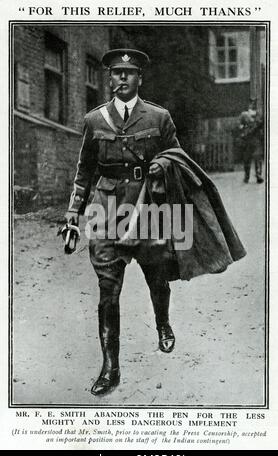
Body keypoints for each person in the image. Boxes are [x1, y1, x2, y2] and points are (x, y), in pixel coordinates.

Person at [65, 48, 246, 396]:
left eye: (129, 73)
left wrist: (162, 164)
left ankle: (162, 323)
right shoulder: (93, 121)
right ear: (110, 78)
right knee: (108, 292)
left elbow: (176, 156)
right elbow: (84, 171)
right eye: (116, 73)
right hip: (106, 210)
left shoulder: (159, 118)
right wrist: (74, 211)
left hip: (148, 207)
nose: (122, 78)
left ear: (139, 79)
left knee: (157, 274)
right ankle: (110, 366)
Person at [238, 98, 264, 183]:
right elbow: (239, 125)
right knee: (246, 158)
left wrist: (253, 128)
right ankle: (246, 176)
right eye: (250, 103)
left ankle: (258, 175)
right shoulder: (244, 114)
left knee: (257, 157)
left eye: (254, 103)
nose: (252, 104)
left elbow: (260, 124)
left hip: (256, 139)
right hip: (247, 140)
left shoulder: (258, 114)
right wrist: (242, 130)